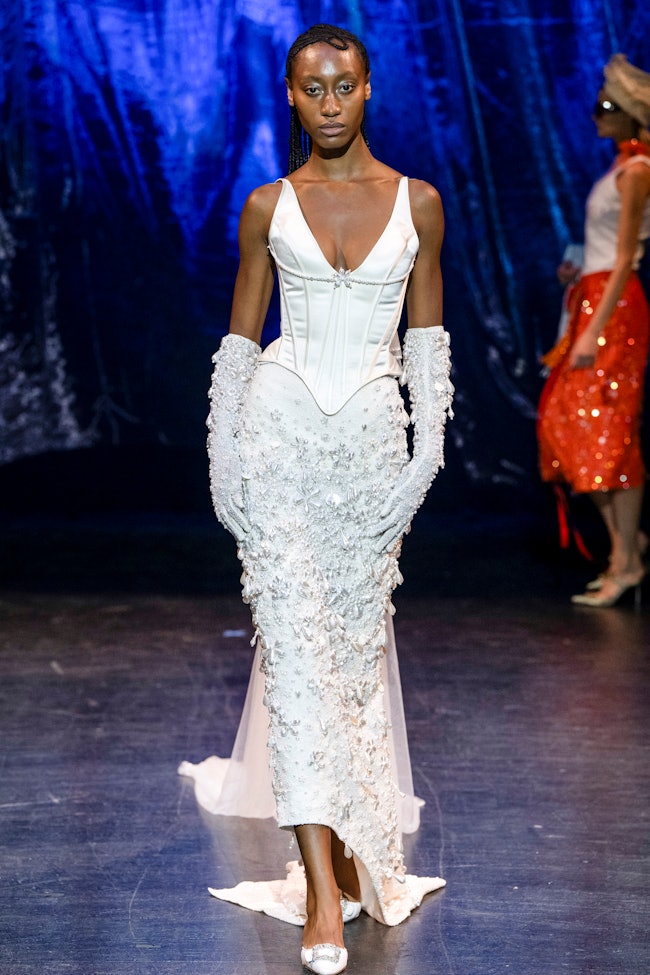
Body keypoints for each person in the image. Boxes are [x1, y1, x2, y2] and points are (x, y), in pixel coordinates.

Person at [181, 23, 453, 975]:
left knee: (347, 663)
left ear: (368, 89)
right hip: (282, 445)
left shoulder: (419, 203)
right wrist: (224, 463)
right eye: (311, 87)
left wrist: (423, 465)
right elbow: (241, 343)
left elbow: (426, 345)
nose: (328, 101)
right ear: (290, 96)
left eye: (343, 84)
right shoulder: (268, 206)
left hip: (372, 454)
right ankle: (321, 899)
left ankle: (341, 852)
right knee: (296, 663)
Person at [538, 53, 650, 608]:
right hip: (596, 299)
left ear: (632, 117)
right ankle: (626, 545)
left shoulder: (638, 172)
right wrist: (578, 270)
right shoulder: (618, 169)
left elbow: (627, 257)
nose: (597, 115)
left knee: (607, 430)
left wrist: (592, 330)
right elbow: (607, 253)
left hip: (615, 311)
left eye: (608, 108)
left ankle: (625, 557)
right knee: (572, 423)